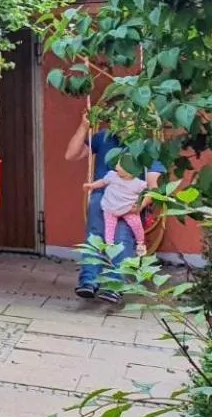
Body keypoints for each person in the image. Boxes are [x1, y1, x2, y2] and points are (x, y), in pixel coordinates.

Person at [65, 119, 162, 303]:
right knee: (95, 237)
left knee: (122, 239)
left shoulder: (147, 146)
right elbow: (71, 154)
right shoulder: (104, 137)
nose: (126, 119)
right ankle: (88, 281)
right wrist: (84, 125)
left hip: (130, 201)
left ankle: (115, 286)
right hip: (102, 197)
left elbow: (153, 186)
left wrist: (140, 205)